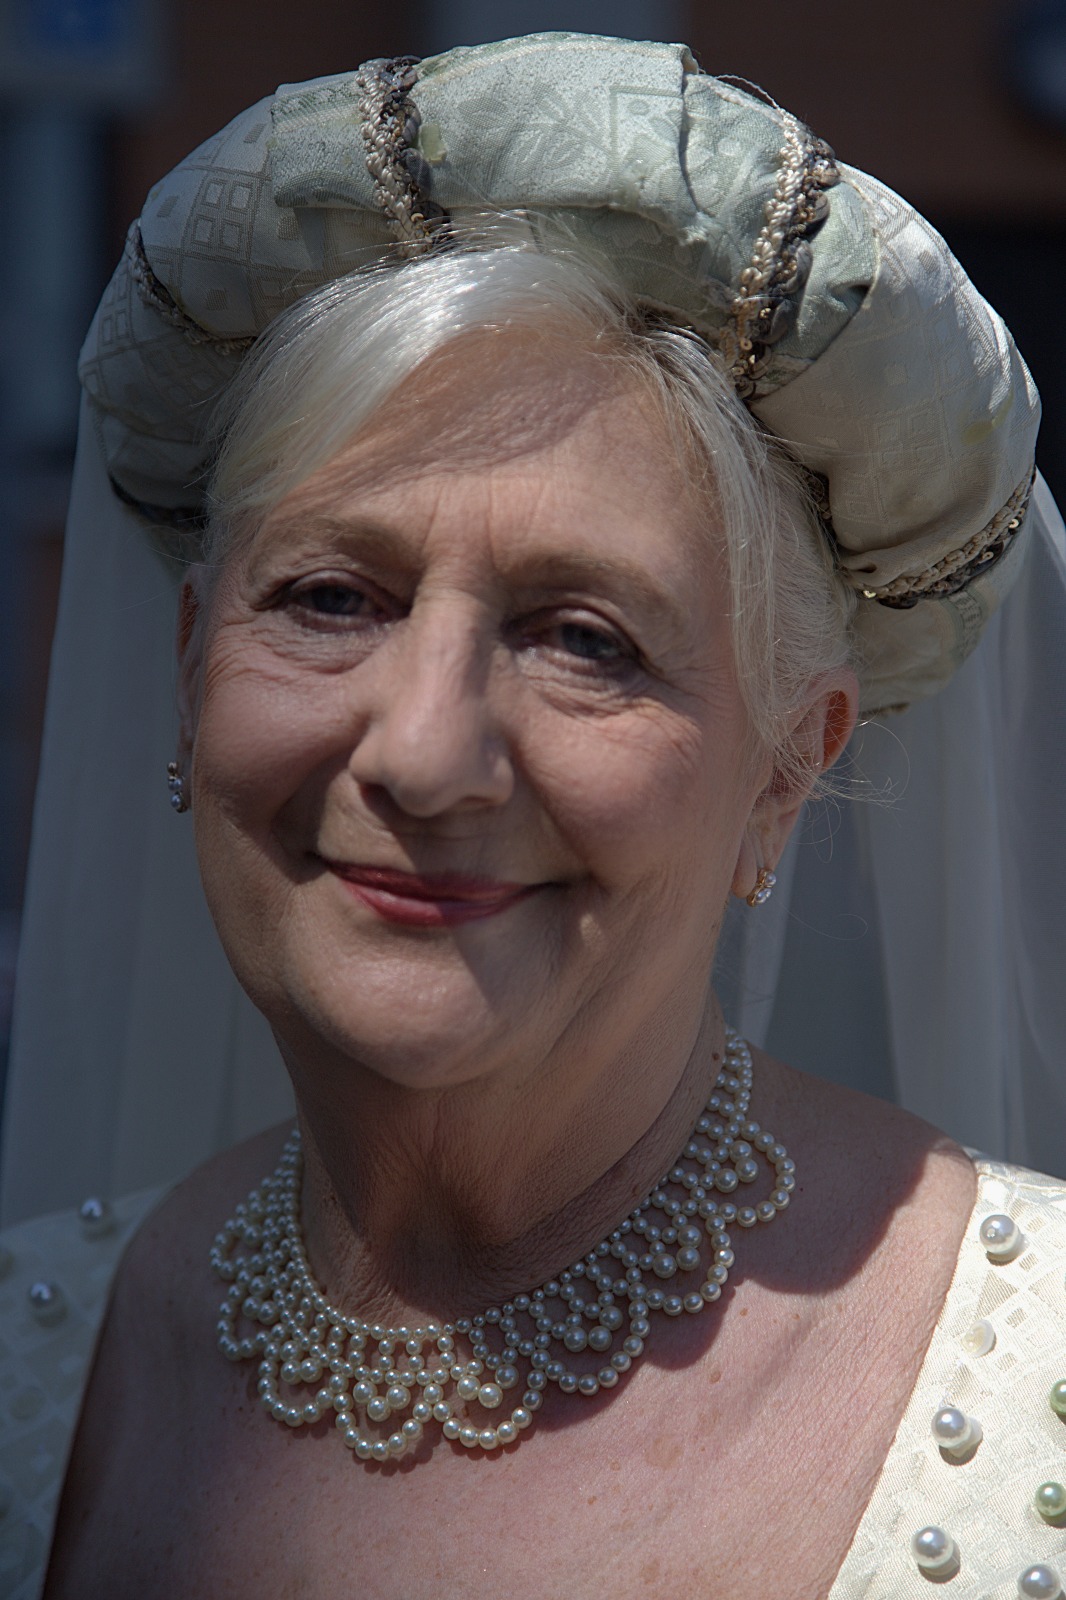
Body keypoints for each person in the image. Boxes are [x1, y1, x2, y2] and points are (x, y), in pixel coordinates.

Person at [1, 32, 1065, 1600]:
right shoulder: (35, 1374)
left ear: (786, 767)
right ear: (186, 668)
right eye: (330, 599)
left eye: (584, 640)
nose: (425, 754)